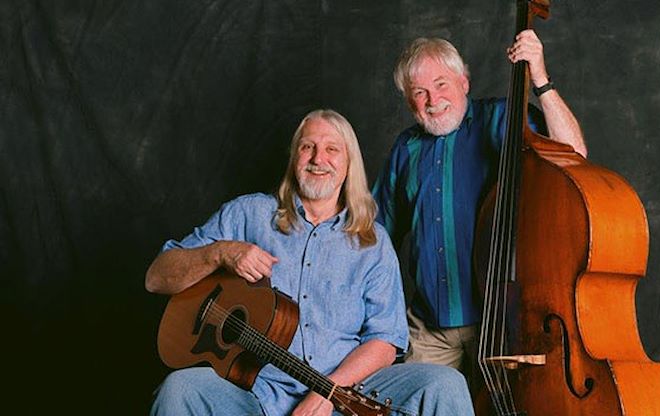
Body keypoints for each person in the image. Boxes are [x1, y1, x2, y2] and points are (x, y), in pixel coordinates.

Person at [145, 109, 475, 416]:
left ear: (349, 164)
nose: (319, 159)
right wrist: (220, 252)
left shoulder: (372, 242)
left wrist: (328, 391)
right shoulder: (247, 215)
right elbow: (157, 278)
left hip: (348, 387)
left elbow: (385, 340)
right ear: (294, 158)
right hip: (255, 391)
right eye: (308, 147)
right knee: (180, 388)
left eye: (333, 149)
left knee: (445, 383)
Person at [372, 32, 588, 387]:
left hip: (503, 325)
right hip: (430, 329)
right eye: (419, 92)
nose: (433, 100)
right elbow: (375, 237)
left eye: (441, 84)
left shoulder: (502, 119)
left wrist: (541, 80)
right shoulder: (405, 149)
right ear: (410, 101)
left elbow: (573, 156)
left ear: (464, 82)